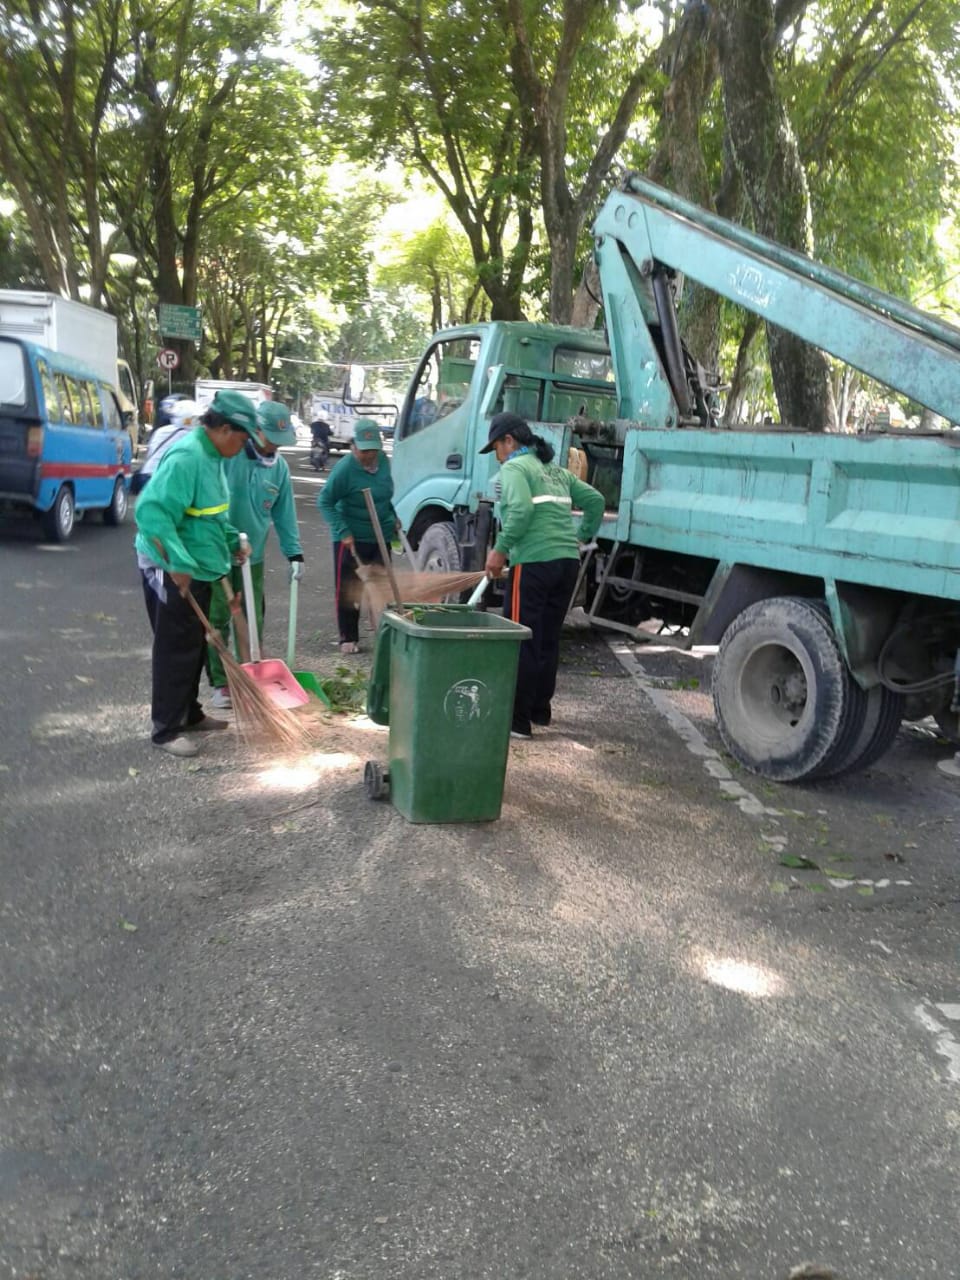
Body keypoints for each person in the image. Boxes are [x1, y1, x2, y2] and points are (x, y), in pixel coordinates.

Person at [134, 390, 261, 758]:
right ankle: (166, 729)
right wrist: (177, 563)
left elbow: (212, 513)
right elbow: (152, 513)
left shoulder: (215, 457)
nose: (243, 446)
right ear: (222, 429)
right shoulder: (188, 457)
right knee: (175, 645)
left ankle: (189, 713)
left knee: (193, 642)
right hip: (169, 567)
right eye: (241, 438)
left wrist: (230, 540)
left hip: (199, 566)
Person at [481, 411, 605, 739]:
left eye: (496, 447)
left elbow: (520, 510)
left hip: (533, 564)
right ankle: (539, 710)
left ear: (509, 441)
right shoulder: (555, 470)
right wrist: (581, 537)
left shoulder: (514, 469)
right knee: (547, 638)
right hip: (566, 565)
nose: (497, 456)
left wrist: (500, 549)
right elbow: (595, 500)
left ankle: (518, 721)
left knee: (521, 638)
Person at [206, 400, 304, 709]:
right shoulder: (230, 456)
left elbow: (285, 515)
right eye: (270, 439)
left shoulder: (279, 469)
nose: (274, 446)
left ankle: (250, 676)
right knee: (219, 617)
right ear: (255, 430)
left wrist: (295, 555)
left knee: (253, 618)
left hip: (254, 557)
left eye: (280, 441)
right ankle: (222, 683)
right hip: (219, 553)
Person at [317, 418, 397, 654]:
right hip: (351, 536)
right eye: (364, 450)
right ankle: (348, 637)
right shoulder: (345, 469)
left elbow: (385, 495)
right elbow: (325, 501)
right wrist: (343, 531)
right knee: (349, 588)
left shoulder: (384, 462)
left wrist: (393, 515)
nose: (369, 455)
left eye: (373, 450)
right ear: (354, 446)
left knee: (382, 586)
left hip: (380, 534)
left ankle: (384, 632)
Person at [130, 399, 202, 495]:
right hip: (162, 478)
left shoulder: (162, 431)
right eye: (196, 419)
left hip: (146, 475)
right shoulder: (187, 435)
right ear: (188, 419)